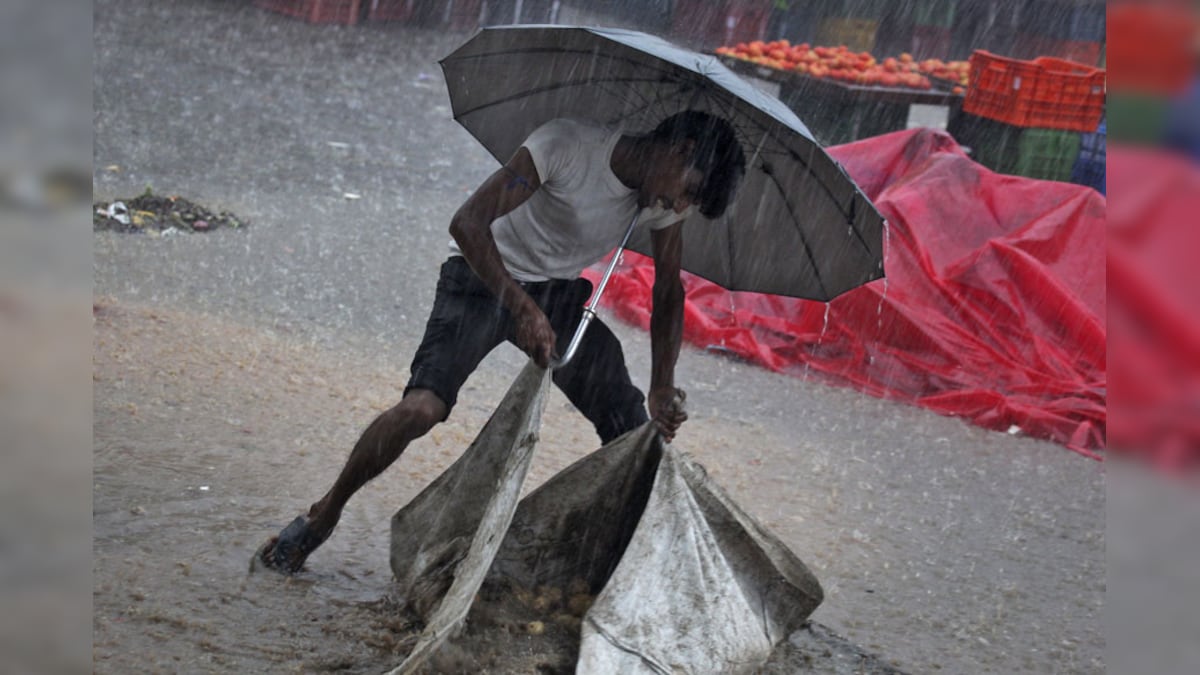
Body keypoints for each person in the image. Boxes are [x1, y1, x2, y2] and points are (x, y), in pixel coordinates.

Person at [255, 110, 745, 574]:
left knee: (631, 425)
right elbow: (467, 222)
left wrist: (663, 384)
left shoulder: (660, 203)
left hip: (555, 295)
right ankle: (325, 514)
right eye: (689, 193)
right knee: (423, 409)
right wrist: (519, 306)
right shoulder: (565, 145)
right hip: (480, 278)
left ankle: (619, 559)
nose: (680, 207)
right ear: (681, 151)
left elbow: (667, 291)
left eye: (690, 206)